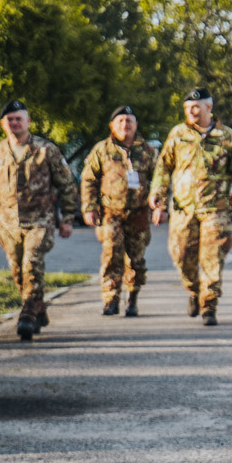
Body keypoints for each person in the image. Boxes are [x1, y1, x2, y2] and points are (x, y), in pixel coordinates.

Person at [0, 100, 77, 341]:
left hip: (40, 221)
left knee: (31, 263)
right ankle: (38, 308)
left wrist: (68, 218)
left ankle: (27, 316)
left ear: (28, 122)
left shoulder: (45, 149)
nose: (14, 123)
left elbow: (66, 184)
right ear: (3, 124)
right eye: (9, 119)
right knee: (18, 272)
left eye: (18, 118)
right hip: (8, 225)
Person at [149, 88, 232, 326]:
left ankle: (209, 306)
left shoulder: (226, 136)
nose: (190, 111)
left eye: (195, 107)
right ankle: (194, 289)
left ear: (208, 108)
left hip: (216, 209)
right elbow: (163, 168)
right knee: (181, 255)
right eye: (187, 107)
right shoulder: (178, 134)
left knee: (212, 259)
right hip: (183, 209)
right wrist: (158, 200)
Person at [79, 105, 156, 316]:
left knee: (135, 258)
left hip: (139, 213)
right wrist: (89, 208)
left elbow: (160, 180)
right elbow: (89, 180)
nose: (125, 125)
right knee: (111, 254)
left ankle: (132, 297)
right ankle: (110, 298)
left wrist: (161, 207)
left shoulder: (148, 151)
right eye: (120, 121)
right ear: (112, 125)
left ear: (136, 125)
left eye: (129, 121)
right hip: (110, 213)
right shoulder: (102, 150)